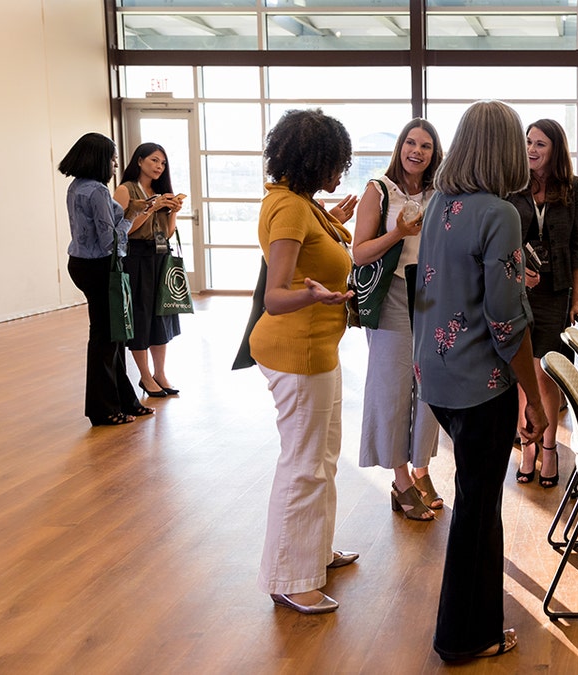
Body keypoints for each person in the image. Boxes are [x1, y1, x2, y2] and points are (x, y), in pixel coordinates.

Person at [411, 99, 546, 662]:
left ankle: (468, 628)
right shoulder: (500, 212)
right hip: (480, 382)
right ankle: (467, 636)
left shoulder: (442, 199)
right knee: (477, 510)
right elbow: (506, 324)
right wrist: (533, 399)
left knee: (474, 504)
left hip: (438, 375)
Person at [249, 109, 359, 615]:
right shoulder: (292, 209)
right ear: (313, 160)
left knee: (322, 458)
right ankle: (291, 577)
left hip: (318, 349)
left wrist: (334, 222)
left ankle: (311, 551)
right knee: (304, 465)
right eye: (336, 162)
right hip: (300, 351)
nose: (341, 172)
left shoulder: (300, 203)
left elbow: (314, 247)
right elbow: (275, 295)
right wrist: (317, 296)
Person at [352, 119, 444, 522]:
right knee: (393, 389)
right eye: (410, 142)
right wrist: (399, 233)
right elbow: (359, 253)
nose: (417, 151)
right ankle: (401, 480)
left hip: (432, 298)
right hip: (390, 299)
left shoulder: (440, 193)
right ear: (400, 147)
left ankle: (421, 467)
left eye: (425, 145)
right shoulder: (378, 190)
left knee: (429, 388)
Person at [506, 119, 578, 488]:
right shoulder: (512, 185)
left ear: (555, 148)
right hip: (518, 291)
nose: (532, 149)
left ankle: (550, 448)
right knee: (524, 370)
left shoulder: (572, 187)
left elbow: (577, 246)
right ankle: (527, 445)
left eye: (540, 143)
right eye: (528, 142)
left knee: (546, 370)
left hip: (555, 294)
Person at [58, 132, 160, 427]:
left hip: (80, 264)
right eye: (113, 158)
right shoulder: (98, 192)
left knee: (112, 335)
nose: (116, 164)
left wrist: (132, 210)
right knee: (106, 338)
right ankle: (103, 410)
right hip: (101, 266)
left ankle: (124, 400)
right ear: (101, 160)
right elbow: (110, 240)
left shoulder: (77, 187)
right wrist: (132, 215)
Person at [112, 143, 185, 398]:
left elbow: (167, 232)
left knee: (161, 315)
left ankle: (160, 372)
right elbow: (123, 230)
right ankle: (144, 375)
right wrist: (151, 207)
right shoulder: (126, 190)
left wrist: (173, 212)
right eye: (154, 160)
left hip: (160, 255)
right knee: (140, 316)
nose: (158, 167)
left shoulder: (161, 191)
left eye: (163, 163)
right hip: (136, 256)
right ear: (140, 161)